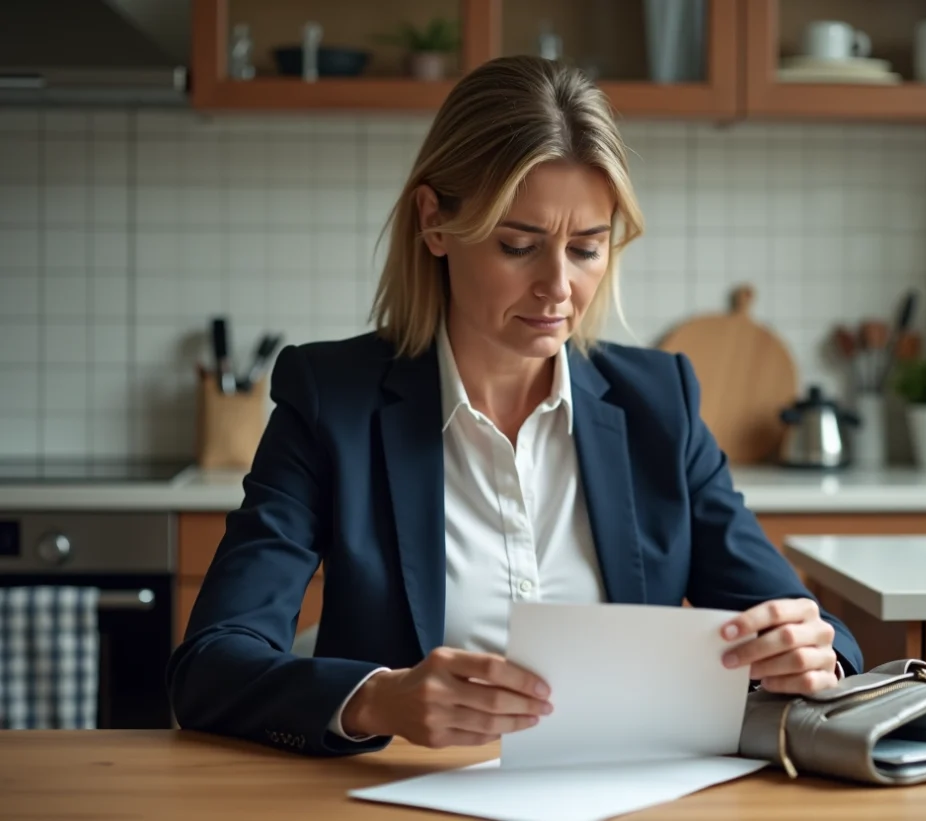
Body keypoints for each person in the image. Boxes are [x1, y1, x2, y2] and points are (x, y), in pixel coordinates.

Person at [166, 55, 862, 758]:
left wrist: (813, 656)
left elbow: (811, 628)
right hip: (403, 793)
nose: (557, 286)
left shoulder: (660, 403)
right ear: (435, 222)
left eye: (586, 249)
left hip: (628, 791)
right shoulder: (332, 401)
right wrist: (378, 698)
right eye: (519, 245)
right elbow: (211, 664)